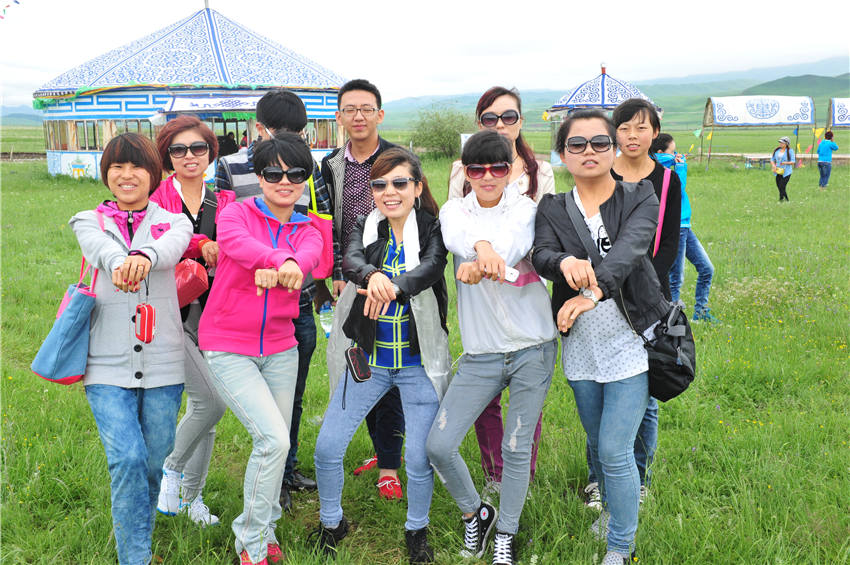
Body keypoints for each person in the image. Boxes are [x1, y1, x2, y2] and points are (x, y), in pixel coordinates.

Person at [532, 109, 668, 565]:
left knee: (613, 448)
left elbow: (630, 250)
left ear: (613, 148)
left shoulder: (639, 195)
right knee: (597, 440)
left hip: (630, 340)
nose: (588, 151)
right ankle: (610, 510)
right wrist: (561, 262)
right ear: (562, 153)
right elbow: (541, 252)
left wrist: (592, 291)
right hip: (581, 344)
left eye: (598, 142)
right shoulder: (552, 207)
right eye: (577, 144)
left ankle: (620, 546)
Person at [311, 148, 450, 564]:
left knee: (418, 458)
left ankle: (416, 531)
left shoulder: (432, 227)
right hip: (368, 363)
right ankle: (332, 523)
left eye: (399, 183)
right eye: (380, 184)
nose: (389, 191)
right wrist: (371, 274)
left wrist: (394, 286)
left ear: (417, 187)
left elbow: (432, 267)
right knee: (327, 448)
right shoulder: (364, 224)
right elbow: (351, 259)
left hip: (417, 364)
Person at [427, 130, 558, 565]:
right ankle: (477, 513)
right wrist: (480, 248)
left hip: (533, 347)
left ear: (510, 171)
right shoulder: (453, 210)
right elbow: (455, 236)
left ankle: (507, 533)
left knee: (517, 447)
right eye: (477, 169)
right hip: (481, 353)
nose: (487, 176)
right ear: (465, 172)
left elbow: (513, 245)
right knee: (439, 445)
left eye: (498, 168)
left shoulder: (526, 209)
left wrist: (483, 255)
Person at [199, 133, 323, 565]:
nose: (284, 181)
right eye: (273, 173)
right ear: (259, 176)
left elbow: (311, 258)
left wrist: (292, 264)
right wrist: (277, 260)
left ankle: (267, 527)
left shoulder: (308, 228)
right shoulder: (235, 214)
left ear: (306, 179)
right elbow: (238, 245)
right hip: (227, 344)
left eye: (296, 173)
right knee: (272, 440)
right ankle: (250, 544)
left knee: (278, 444)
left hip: (281, 347)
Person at [69, 132, 192, 565]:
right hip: (104, 364)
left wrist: (144, 255)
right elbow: (100, 250)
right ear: (106, 173)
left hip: (163, 363)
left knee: (154, 462)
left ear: (153, 173)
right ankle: (134, 556)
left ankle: (139, 532)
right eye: (117, 166)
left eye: (137, 166)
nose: (126, 174)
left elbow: (170, 249)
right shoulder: (88, 220)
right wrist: (122, 261)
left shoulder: (175, 222)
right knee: (127, 458)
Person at [217, 89, 333, 510]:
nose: (285, 180)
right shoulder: (230, 167)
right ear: (259, 127)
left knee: (293, 393)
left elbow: (321, 224)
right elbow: (226, 227)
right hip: (244, 300)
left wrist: (322, 280)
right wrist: (273, 260)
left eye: (296, 132)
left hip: (295, 300)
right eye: (279, 130)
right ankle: (270, 467)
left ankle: (285, 470)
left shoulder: (307, 166)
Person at [447, 87, 555, 498]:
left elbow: (538, 226)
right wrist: (480, 253)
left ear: (521, 121)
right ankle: (495, 473)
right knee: (484, 390)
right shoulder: (462, 168)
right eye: (490, 118)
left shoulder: (539, 172)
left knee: (528, 391)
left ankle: (520, 476)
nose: (500, 125)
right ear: (479, 123)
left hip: (525, 282)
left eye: (508, 117)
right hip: (477, 286)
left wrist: (492, 255)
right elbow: (457, 220)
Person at [579, 98, 681, 509]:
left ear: (655, 132)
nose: (633, 136)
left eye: (641, 128)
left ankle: (638, 478)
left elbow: (668, 244)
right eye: (624, 128)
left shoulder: (668, 181)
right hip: (597, 299)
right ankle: (597, 478)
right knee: (598, 391)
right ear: (613, 134)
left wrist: (638, 286)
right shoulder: (602, 172)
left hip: (647, 301)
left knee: (646, 396)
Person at [321, 78, 406, 500]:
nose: (358, 116)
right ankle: (381, 448)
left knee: (390, 364)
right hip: (349, 277)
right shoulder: (330, 165)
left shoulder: (397, 159)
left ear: (379, 114)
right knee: (359, 364)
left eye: (366, 109)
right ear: (339, 116)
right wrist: (337, 270)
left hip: (393, 276)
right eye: (350, 109)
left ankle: (390, 466)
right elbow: (326, 222)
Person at [151, 116, 235, 526]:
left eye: (198, 148)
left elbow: (236, 244)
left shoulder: (225, 200)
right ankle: (170, 469)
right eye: (179, 149)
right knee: (210, 402)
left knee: (207, 412)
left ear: (210, 152)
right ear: (166, 156)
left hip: (214, 315)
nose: (189, 156)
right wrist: (202, 245)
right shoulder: (155, 198)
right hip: (167, 314)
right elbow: (157, 238)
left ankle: (191, 498)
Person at [651, 133, 718, 324]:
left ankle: (701, 312)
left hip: (685, 226)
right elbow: (676, 190)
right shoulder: (659, 171)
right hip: (676, 227)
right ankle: (670, 321)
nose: (676, 155)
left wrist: (675, 162)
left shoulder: (667, 165)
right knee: (676, 278)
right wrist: (680, 167)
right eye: (673, 152)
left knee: (707, 269)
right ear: (660, 152)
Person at [771, 136, 795, 201]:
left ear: (786, 143)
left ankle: (785, 200)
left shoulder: (790, 151)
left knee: (782, 186)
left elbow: (793, 162)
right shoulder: (777, 150)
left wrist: (785, 163)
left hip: (786, 172)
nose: (780, 144)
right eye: (780, 142)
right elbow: (772, 159)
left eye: (782, 143)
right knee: (779, 186)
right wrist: (773, 165)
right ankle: (783, 199)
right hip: (778, 171)